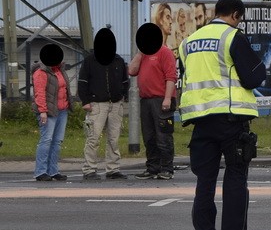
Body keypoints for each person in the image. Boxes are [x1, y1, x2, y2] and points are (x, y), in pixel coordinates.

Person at [179, 0, 267, 230]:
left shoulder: (188, 42)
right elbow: (253, 77)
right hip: (230, 118)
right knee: (236, 177)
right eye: (240, 19)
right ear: (236, 15)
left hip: (200, 121)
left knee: (204, 182)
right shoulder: (232, 37)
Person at [78, 28, 129, 180]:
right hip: (96, 105)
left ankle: (113, 169)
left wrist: (123, 96)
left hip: (116, 104)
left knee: (114, 138)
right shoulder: (89, 61)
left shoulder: (118, 60)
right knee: (93, 138)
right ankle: (89, 169)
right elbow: (82, 82)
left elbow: (125, 81)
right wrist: (85, 101)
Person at [129, 22, 177, 180]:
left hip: (161, 99)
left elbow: (171, 77)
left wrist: (167, 98)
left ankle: (167, 168)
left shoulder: (165, 52)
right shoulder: (144, 55)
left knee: (163, 135)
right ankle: (153, 167)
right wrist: (140, 53)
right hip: (146, 100)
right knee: (149, 136)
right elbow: (131, 71)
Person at [33, 43, 72, 182]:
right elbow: (39, 93)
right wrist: (42, 111)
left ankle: (53, 170)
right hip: (48, 112)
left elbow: (66, 89)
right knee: (46, 140)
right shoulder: (40, 73)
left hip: (62, 110)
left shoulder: (60, 70)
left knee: (57, 142)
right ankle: (40, 171)